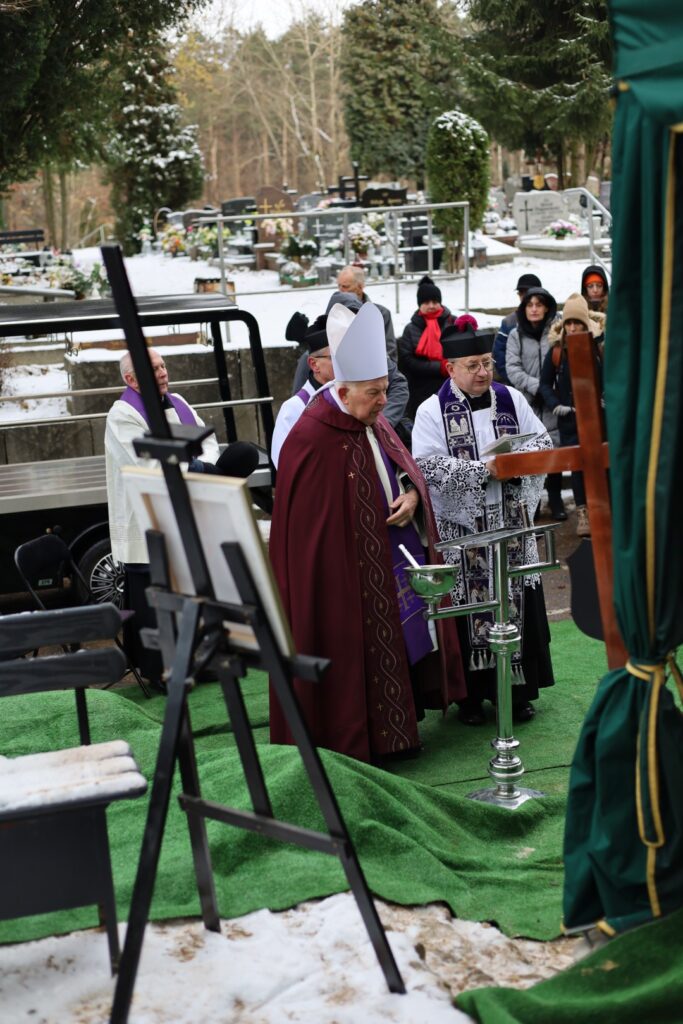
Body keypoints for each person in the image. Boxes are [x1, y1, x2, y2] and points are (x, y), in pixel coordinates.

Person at [269, 302, 465, 763]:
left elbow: (403, 467)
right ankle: (354, 740)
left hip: (389, 560)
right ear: (342, 388)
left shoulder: (370, 421)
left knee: (399, 640)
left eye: (384, 390)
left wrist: (413, 496)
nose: (383, 402)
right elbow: (306, 532)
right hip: (340, 580)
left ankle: (399, 733)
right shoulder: (312, 435)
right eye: (374, 393)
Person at [412, 321, 555, 725]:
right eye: (473, 364)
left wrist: (514, 466)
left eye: (488, 363)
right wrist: (482, 471)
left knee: (516, 600)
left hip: (510, 523)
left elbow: (542, 443)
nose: (483, 372)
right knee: (468, 606)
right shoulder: (430, 411)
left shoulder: (510, 399)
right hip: (465, 532)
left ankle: (519, 690)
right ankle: (471, 698)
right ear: (450, 368)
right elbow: (427, 465)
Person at [105, 348, 259, 685]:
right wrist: (200, 467)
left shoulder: (180, 402)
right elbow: (144, 463)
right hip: (151, 517)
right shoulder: (123, 415)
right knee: (159, 596)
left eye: (162, 365)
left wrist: (204, 465)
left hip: (190, 508)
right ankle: (163, 671)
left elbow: (208, 442)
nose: (162, 372)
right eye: (153, 368)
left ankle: (202, 663)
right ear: (131, 380)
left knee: (194, 589)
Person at [290, 292, 410, 433]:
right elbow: (299, 401)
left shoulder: (370, 350)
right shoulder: (314, 357)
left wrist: (382, 422)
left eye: (354, 320)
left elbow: (398, 384)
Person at [539, 293, 606, 538]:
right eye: (569, 323)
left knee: (602, 462)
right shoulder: (558, 351)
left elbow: (612, 375)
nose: (573, 327)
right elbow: (545, 382)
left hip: (599, 417)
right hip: (571, 418)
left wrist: (606, 397)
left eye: (577, 322)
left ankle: (605, 509)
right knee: (577, 466)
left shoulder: (599, 346)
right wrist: (557, 404)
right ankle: (583, 512)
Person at [505, 286, 566, 520]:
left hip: (553, 399)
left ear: (547, 307)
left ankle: (556, 499)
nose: (534, 309)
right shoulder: (515, 335)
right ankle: (534, 501)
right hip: (530, 401)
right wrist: (535, 386)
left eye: (539, 305)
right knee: (531, 451)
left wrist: (550, 389)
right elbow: (512, 368)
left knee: (556, 448)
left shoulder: (557, 333)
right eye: (530, 305)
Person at [271, 312, 334, 468]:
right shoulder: (294, 408)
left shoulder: (353, 399)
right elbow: (285, 464)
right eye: (334, 357)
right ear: (314, 364)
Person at [398, 275, 456, 417]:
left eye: (435, 301)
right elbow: (407, 361)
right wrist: (439, 367)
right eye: (426, 302)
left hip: (452, 383)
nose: (431, 306)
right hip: (420, 388)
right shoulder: (411, 329)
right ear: (419, 305)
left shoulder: (453, 322)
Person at [336, 264, 397, 361]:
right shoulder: (335, 314)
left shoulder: (381, 314)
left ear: (360, 287)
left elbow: (390, 352)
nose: (340, 291)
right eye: (339, 286)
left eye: (345, 286)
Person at [492, 273, 542, 384]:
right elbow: (499, 356)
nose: (525, 296)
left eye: (528, 292)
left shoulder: (553, 320)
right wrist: (513, 380)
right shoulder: (509, 322)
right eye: (521, 293)